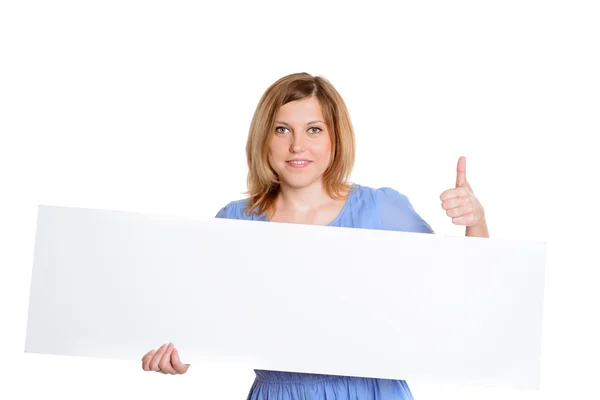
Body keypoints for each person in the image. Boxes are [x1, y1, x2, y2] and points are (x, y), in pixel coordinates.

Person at [140, 72, 489, 399]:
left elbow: (463, 293)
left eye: (313, 130)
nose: (297, 146)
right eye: (281, 129)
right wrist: (180, 356)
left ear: (335, 138)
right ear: (264, 138)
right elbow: (206, 319)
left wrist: (476, 220)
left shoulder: (381, 209)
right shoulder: (235, 221)